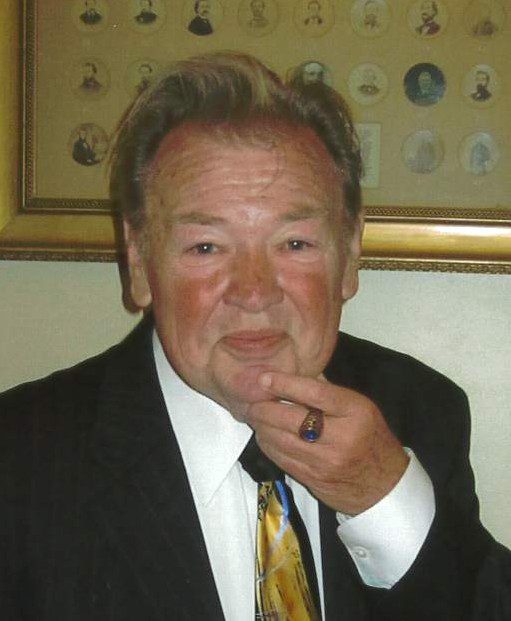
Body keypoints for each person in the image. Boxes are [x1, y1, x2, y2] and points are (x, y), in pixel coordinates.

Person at [1, 52, 510, 620]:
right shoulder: (20, 461)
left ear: (349, 256)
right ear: (140, 263)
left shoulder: (419, 412)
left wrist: (384, 499)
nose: (253, 291)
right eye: (206, 247)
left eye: (294, 244)